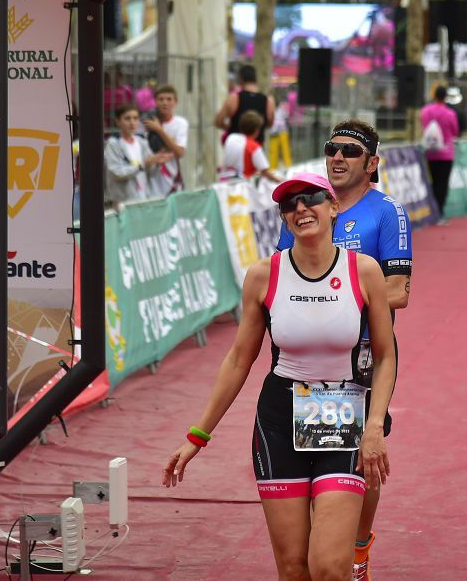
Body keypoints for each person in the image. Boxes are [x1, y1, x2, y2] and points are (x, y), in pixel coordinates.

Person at [163, 173, 397, 581]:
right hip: (278, 420)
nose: (301, 209)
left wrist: (374, 424)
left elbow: (385, 354)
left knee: (328, 568)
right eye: (290, 205)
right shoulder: (263, 275)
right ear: (284, 219)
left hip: (345, 416)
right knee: (293, 569)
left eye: (310, 199)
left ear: (333, 206)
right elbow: (238, 359)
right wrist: (196, 436)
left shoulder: (365, 271)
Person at [278, 120, 413, 580]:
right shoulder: (306, 205)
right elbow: (282, 277)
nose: (338, 157)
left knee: (362, 455)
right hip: (305, 361)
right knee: (308, 461)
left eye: (350, 152)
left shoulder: (387, 212)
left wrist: (337, 298)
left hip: (362, 359)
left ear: (372, 164)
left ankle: (358, 546)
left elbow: (397, 290)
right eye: (331, 149)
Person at [103, 103, 160, 206]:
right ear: (118, 121)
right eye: (127, 119)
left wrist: (156, 162)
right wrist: (141, 166)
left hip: (143, 199)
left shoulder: (142, 142)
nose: (132, 122)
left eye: (135, 118)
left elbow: (151, 171)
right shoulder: (113, 144)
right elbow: (116, 172)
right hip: (123, 202)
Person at [420, 84, 460, 220]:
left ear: (434, 95)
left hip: (430, 153)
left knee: (433, 181)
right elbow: (455, 132)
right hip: (446, 153)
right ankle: (440, 212)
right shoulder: (450, 113)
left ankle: (432, 209)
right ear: (445, 97)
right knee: (443, 183)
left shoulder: (425, 111)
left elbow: (423, 126)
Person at [143, 84, 188, 199]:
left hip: (171, 180)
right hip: (150, 180)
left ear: (175, 102)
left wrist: (159, 130)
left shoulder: (181, 123)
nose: (165, 103)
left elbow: (179, 152)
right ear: (155, 101)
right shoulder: (147, 122)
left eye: (169, 99)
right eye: (161, 99)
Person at [215, 64, 276, 145]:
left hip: (235, 147)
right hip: (256, 147)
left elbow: (218, 121)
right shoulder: (268, 101)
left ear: (240, 79)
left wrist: (230, 128)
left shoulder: (233, 99)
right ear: (256, 79)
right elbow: (269, 124)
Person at [220, 110, 281, 184]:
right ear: (256, 130)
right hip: (242, 185)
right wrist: (281, 180)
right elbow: (265, 172)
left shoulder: (231, 137)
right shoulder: (253, 147)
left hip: (225, 182)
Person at [267, 86, 294, 170]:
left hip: (282, 131)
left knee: (285, 152)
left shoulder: (282, 106)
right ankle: (273, 170)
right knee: (273, 153)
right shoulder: (271, 107)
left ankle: (288, 169)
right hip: (274, 133)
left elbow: (285, 116)